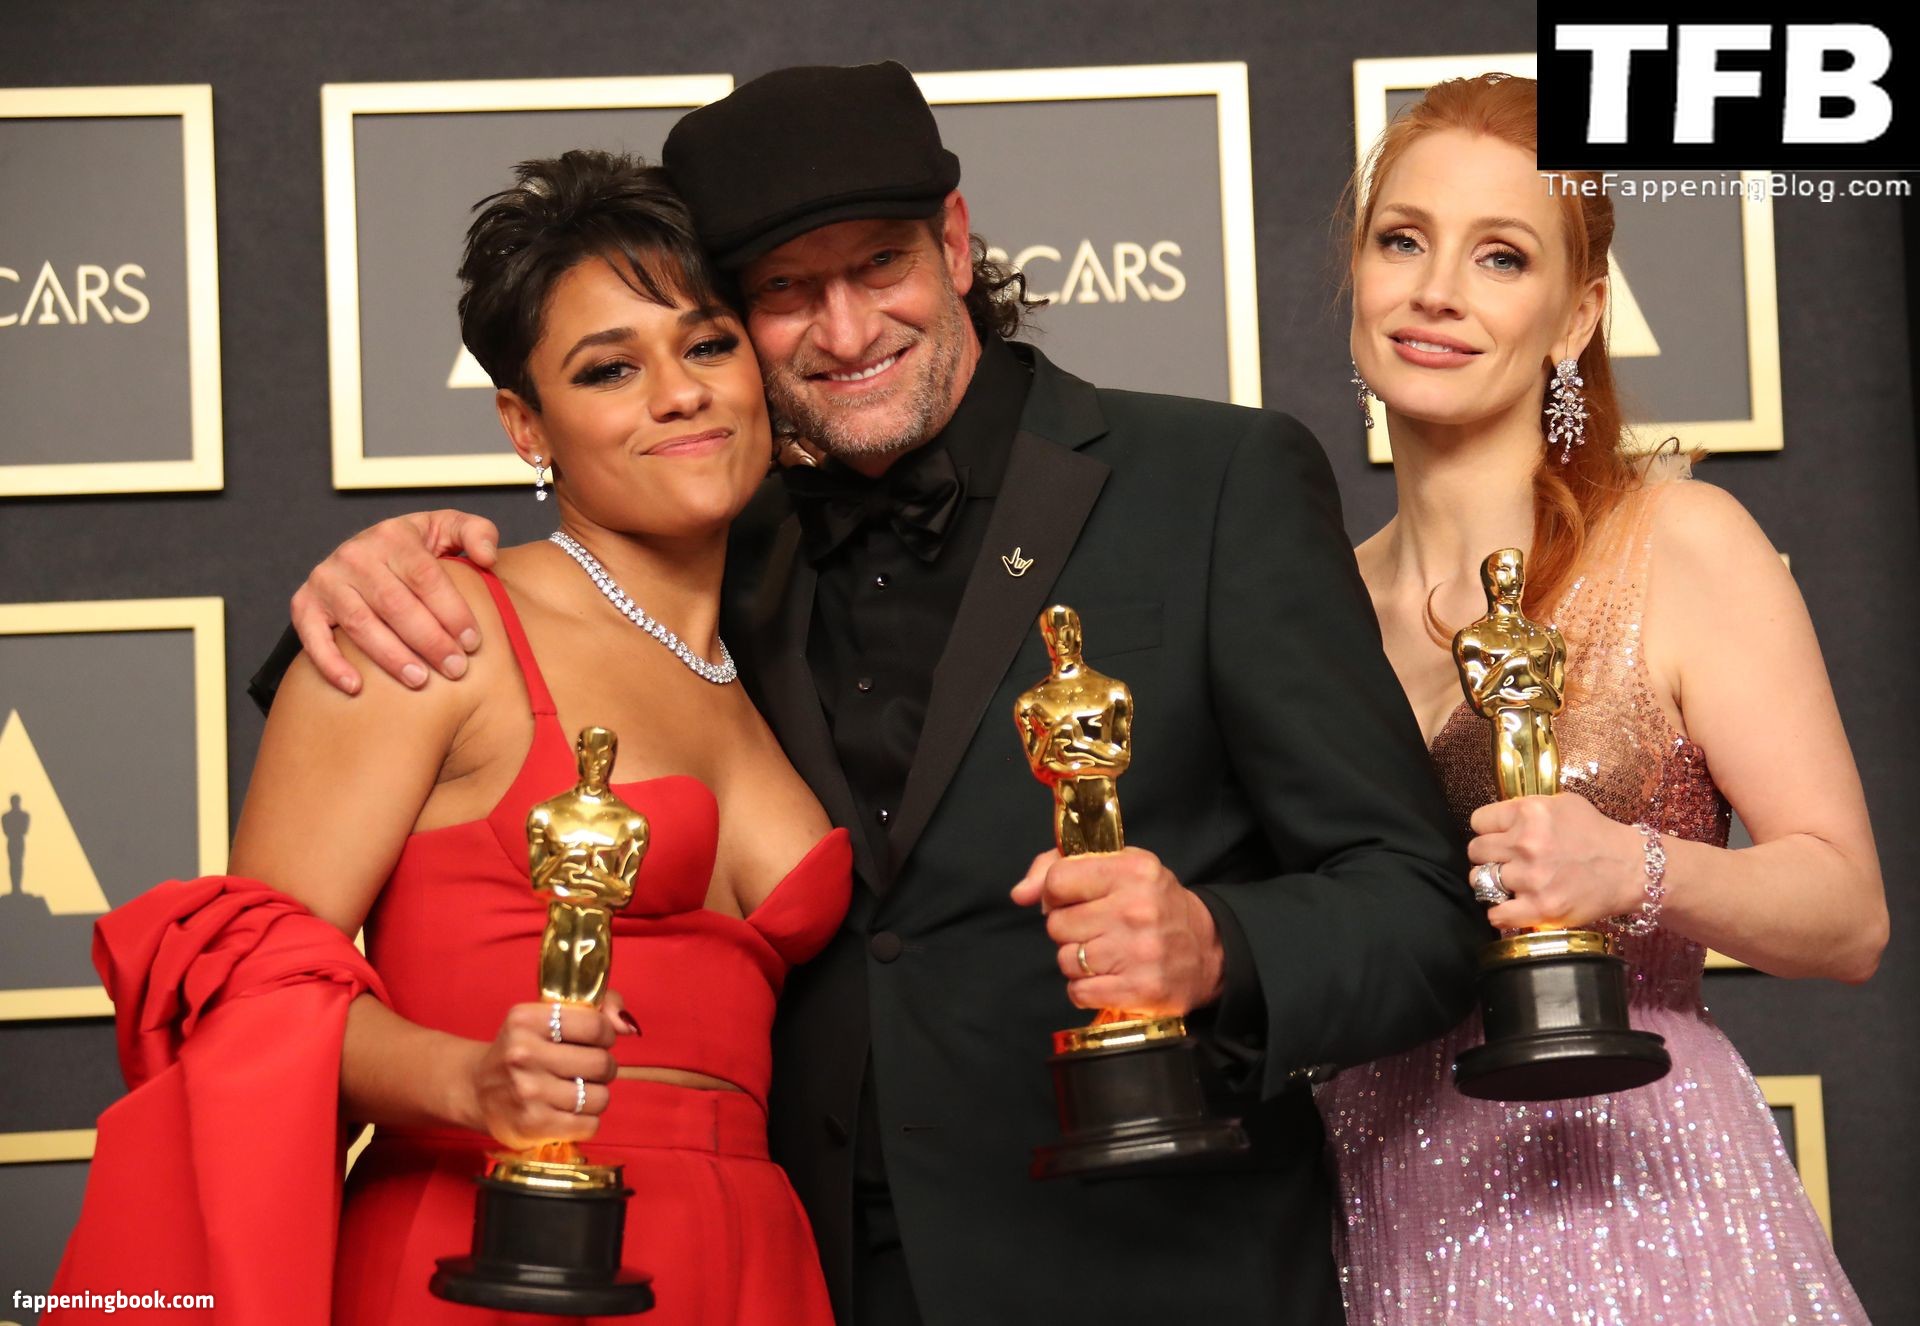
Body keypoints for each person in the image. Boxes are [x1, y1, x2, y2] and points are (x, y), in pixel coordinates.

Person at [258, 62, 1485, 1324]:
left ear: (953, 242)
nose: (846, 334)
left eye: (880, 266)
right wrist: (377, 568)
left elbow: (1420, 907)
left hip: (1155, 1270)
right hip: (804, 1280)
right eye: (785, 292)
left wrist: (1216, 946)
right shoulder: (713, 541)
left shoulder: (1213, 480)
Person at [59, 152, 849, 1325]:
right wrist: (469, 1081)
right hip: (488, 1249)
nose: (678, 394)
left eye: (707, 344)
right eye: (609, 368)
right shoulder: (433, 624)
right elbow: (242, 991)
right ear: (526, 426)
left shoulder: (785, 653)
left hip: (753, 1261)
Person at [1322, 73, 1884, 1322]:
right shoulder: (1308, 608)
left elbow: (1848, 916)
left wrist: (1633, 867)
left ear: (1575, 316)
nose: (1436, 290)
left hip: (1635, 1223)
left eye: (1500, 257)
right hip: (1375, 1218)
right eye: (1402, 240)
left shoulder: (1679, 542)